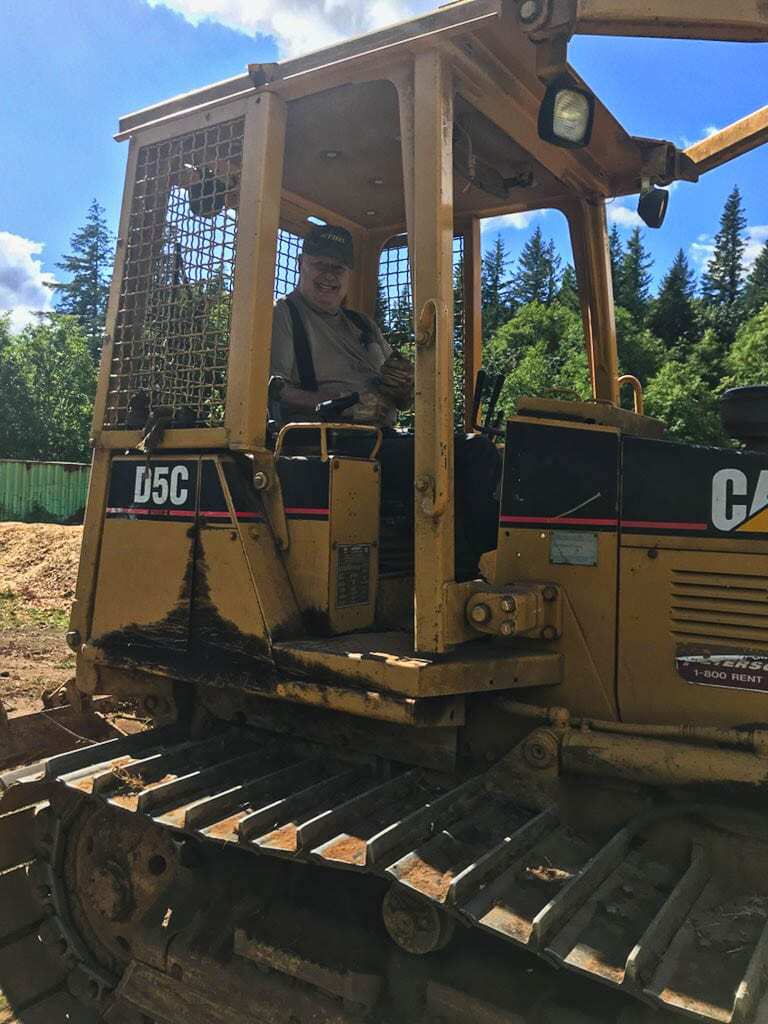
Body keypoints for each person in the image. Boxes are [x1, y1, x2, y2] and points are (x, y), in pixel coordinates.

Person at [269, 225, 413, 428]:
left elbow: (404, 401)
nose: (330, 275)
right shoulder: (283, 314)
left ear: (349, 273)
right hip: (323, 442)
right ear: (300, 264)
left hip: (381, 437)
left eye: (338, 267)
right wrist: (337, 404)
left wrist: (403, 386)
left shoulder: (363, 324)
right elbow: (274, 390)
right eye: (321, 264)